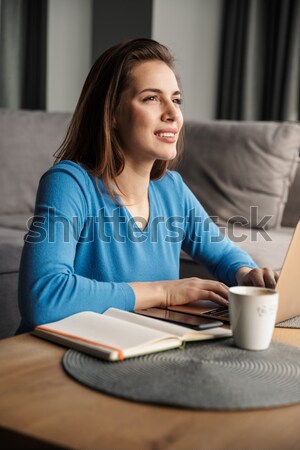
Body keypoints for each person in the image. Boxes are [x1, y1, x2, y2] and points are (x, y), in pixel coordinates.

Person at [18, 38, 278, 332]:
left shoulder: (172, 189)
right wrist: (164, 292)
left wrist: (246, 275)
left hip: (139, 350)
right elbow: (44, 298)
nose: (172, 113)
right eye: (151, 98)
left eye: (176, 100)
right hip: (57, 357)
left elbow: (222, 254)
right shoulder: (69, 183)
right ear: (112, 113)